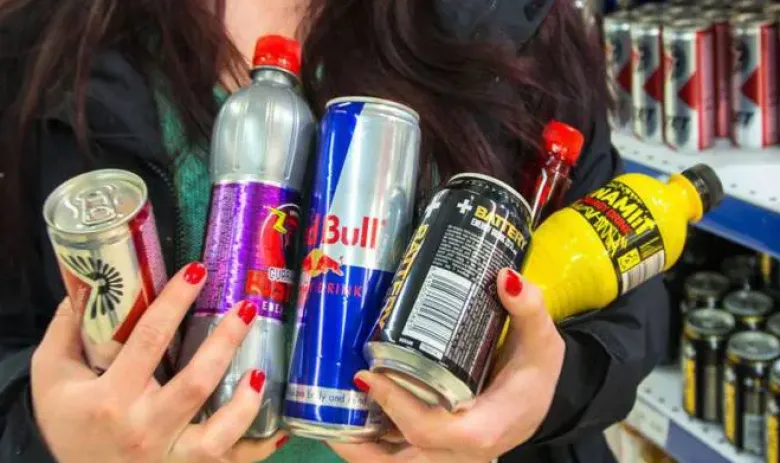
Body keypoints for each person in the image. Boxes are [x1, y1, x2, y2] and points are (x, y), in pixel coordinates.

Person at [0, 0, 670, 462]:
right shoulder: (35, 51)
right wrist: (49, 433)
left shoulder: (509, 18)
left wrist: (544, 392)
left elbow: (632, 307)